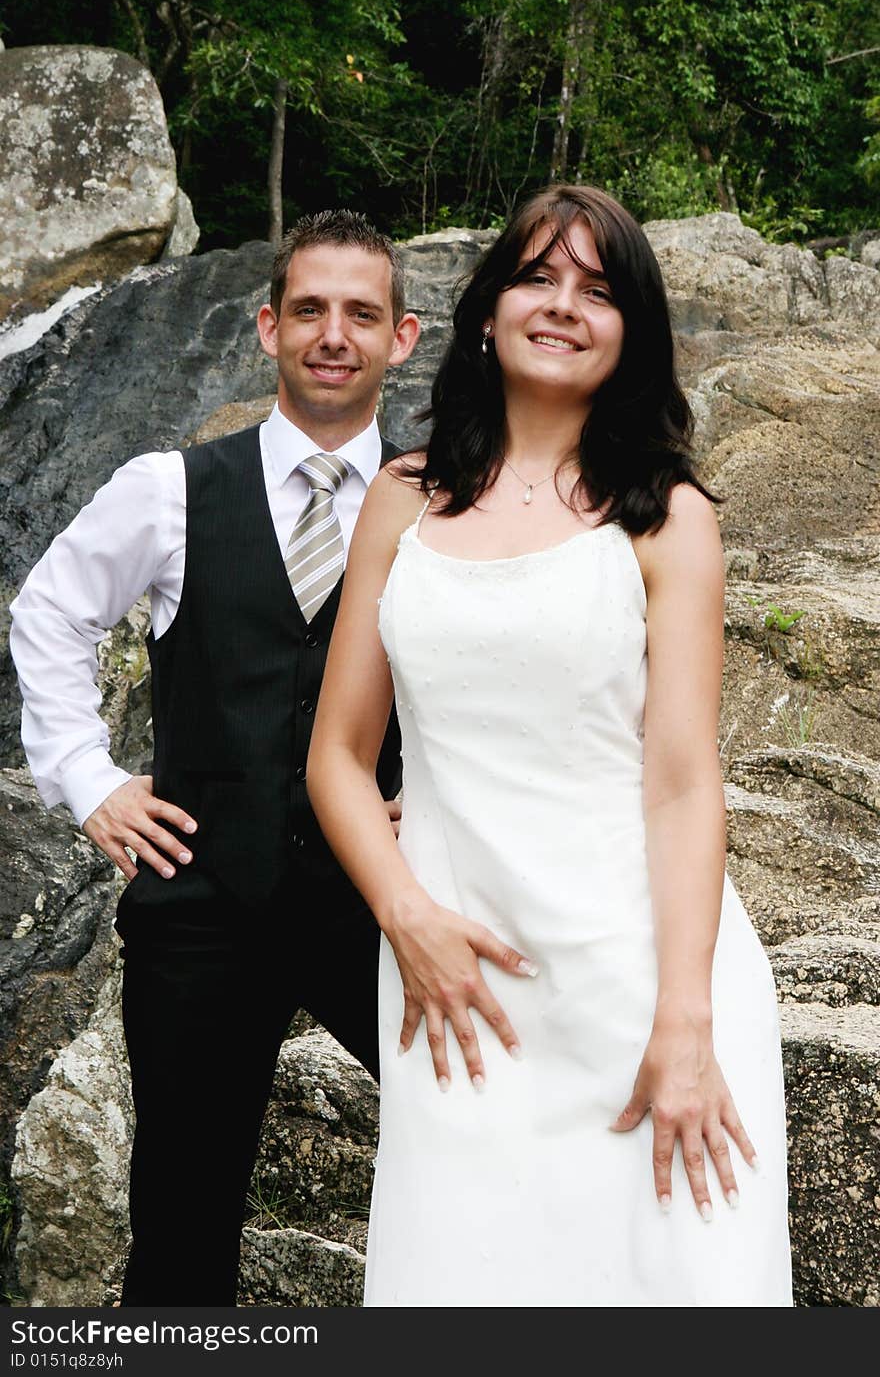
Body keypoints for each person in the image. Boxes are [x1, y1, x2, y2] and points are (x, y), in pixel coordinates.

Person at [306, 184, 793, 1306]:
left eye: (600, 288)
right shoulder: (400, 499)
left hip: (641, 980)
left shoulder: (666, 517)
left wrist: (684, 1022)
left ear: (633, 333)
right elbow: (338, 752)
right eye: (538, 275)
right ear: (486, 310)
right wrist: (406, 913)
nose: (565, 304)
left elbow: (679, 783)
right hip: (456, 983)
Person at [9, 210, 433, 1306]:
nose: (332, 333)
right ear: (266, 327)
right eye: (308, 310)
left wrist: (436, 806)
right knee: (183, 1228)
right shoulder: (168, 487)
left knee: (487, 1141)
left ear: (404, 337)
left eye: (360, 313)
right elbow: (48, 613)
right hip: (199, 903)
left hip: (383, 907)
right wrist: (89, 779)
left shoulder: (445, 502)